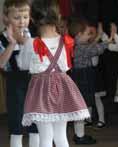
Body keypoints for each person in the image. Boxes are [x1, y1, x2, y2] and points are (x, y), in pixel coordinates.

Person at [19, 0, 90, 147]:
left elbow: (23, 65)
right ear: (57, 16)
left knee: (45, 137)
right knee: (61, 135)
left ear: (32, 19)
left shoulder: (31, 43)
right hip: (62, 88)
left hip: (40, 91)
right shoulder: (66, 41)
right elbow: (67, 66)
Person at [0, 0, 39, 147]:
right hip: (15, 83)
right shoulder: (2, 38)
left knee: (35, 122)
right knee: (16, 122)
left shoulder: (34, 34)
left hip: (34, 81)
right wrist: (12, 43)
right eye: (17, 18)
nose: (22, 22)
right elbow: (1, 64)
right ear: (6, 18)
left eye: (25, 17)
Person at [69, 18, 109, 144]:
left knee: (79, 107)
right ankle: (80, 136)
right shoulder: (81, 47)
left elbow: (91, 46)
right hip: (83, 78)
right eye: (87, 34)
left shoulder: (75, 45)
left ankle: (78, 134)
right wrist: (108, 40)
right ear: (79, 35)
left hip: (79, 76)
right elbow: (96, 49)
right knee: (82, 107)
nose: (89, 36)